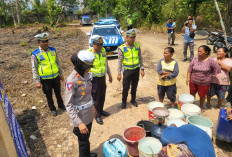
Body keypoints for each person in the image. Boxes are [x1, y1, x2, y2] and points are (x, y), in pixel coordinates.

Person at [65, 50, 97, 157]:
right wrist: (79, 123)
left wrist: (94, 108)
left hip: (88, 114)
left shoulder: (86, 75)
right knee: (83, 144)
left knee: (86, 139)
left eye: (90, 67)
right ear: (80, 65)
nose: (89, 69)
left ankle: (87, 154)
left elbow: (88, 95)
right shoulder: (71, 81)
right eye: (87, 67)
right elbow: (68, 105)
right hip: (81, 118)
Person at [31, 32, 65, 117]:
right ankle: (53, 109)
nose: (45, 43)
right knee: (49, 96)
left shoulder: (53, 50)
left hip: (55, 77)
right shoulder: (35, 54)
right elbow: (34, 68)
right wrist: (36, 81)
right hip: (45, 80)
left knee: (58, 93)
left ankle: (61, 105)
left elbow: (58, 63)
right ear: (39, 42)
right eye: (43, 41)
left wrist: (61, 74)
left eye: (46, 41)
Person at [117, 29, 145, 109]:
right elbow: (119, 61)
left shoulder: (137, 46)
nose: (133, 39)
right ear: (126, 38)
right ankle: (124, 101)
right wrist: (119, 73)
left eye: (134, 37)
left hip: (136, 70)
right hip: (127, 71)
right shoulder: (122, 48)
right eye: (131, 37)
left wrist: (142, 68)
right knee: (126, 87)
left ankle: (133, 99)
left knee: (134, 86)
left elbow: (140, 58)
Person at [89, 35, 112, 125]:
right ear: (93, 44)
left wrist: (109, 74)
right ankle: (97, 115)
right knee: (96, 98)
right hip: (94, 79)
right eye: (98, 44)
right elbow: (86, 68)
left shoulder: (103, 51)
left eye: (101, 44)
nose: (100, 46)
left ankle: (101, 110)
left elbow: (106, 63)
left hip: (102, 77)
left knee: (102, 95)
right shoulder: (89, 53)